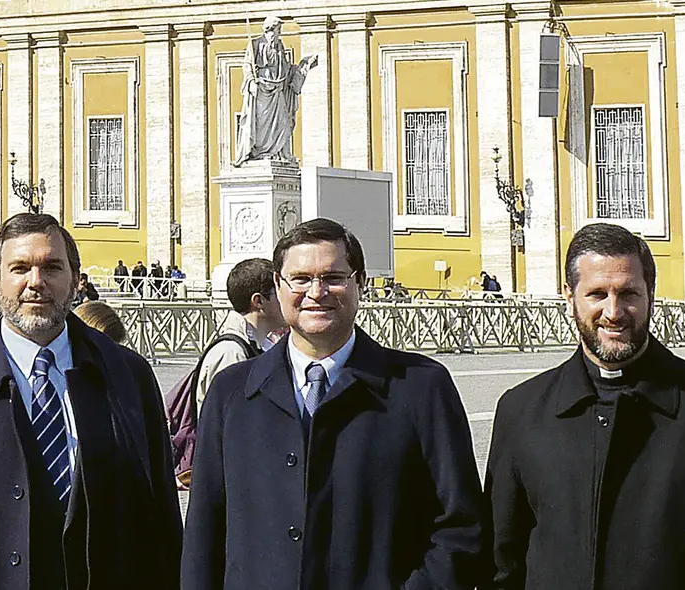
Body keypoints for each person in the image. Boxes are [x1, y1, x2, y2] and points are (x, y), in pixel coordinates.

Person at [182, 218, 485, 589]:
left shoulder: (421, 387)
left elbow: (461, 525)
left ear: (360, 284)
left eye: (333, 278)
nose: (316, 292)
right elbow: (204, 532)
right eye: (301, 278)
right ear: (278, 286)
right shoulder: (232, 392)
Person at [0, 213, 182, 590]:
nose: (35, 283)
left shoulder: (129, 378)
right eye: (20, 268)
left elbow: (161, 506)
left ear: (76, 281)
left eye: (52, 267)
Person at [485, 222, 685, 589]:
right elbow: (501, 559)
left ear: (651, 294)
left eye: (629, 293)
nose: (614, 312)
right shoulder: (521, 411)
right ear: (570, 298)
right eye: (597, 294)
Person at [195, 257, 286, 416]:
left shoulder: (259, 345)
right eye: (279, 292)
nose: (287, 299)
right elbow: (231, 422)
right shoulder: (231, 353)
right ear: (258, 301)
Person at [234, 15, 319, 166]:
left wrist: (304, 65)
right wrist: (251, 81)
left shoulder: (279, 46)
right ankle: (260, 152)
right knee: (260, 122)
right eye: (277, 30)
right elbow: (247, 65)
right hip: (261, 90)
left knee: (283, 122)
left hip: (278, 90)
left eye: (279, 30)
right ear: (269, 30)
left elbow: (286, 72)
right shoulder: (255, 45)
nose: (278, 34)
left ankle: (278, 152)